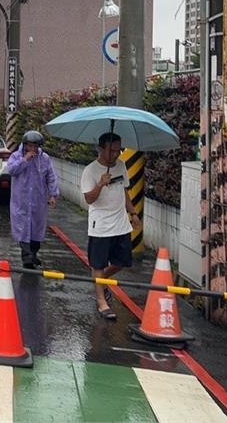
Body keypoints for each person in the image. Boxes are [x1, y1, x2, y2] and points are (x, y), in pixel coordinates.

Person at [81, 132, 141, 320]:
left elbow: (125, 192)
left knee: (121, 262)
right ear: (100, 149)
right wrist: (100, 184)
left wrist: (133, 213)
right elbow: (89, 199)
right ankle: (102, 302)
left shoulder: (121, 166)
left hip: (121, 224)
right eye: (112, 150)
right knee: (97, 264)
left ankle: (100, 281)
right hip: (101, 225)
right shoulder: (90, 170)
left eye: (118, 150)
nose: (116, 154)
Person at [7, 130, 59, 269]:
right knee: (23, 230)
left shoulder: (44, 159)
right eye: (30, 146)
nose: (33, 149)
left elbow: (51, 176)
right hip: (21, 201)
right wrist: (25, 160)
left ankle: (33, 254)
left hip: (38, 201)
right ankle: (27, 258)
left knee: (36, 231)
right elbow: (11, 170)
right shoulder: (16, 156)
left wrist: (53, 194)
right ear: (25, 145)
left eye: (36, 146)